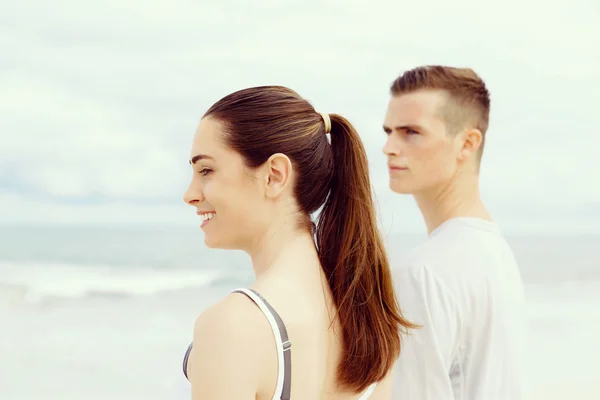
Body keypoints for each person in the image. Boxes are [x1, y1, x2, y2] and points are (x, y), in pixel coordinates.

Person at [182, 86, 416, 399]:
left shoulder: (232, 326)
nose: (190, 194)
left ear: (274, 175)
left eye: (206, 170)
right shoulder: (368, 324)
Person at [382, 66, 527, 399]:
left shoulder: (422, 272)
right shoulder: (496, 252)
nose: (388, 147)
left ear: (467, 142)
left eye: (411, 132)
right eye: (388, 131)